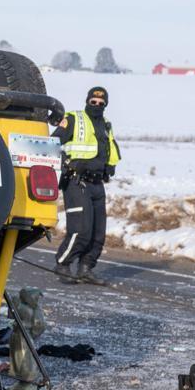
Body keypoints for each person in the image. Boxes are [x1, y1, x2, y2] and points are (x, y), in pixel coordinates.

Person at [53, 86, 121, 284]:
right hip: (76, 181)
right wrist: (67, 163)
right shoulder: (74, 119)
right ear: (87, 101)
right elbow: (52, 144)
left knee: (98, 233)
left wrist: (110, 166)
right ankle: (63, 264)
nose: (97, 105)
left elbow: (111, 149)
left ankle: (86, 268)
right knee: (81, 230)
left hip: (97, 183)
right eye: (93, 102)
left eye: (101, 103)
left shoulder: (106, 124)